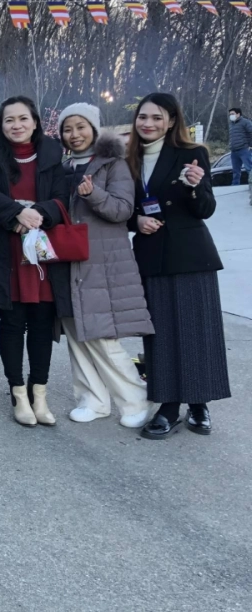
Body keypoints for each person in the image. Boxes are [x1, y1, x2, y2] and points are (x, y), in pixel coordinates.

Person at [126, 93, 230, 440]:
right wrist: (137, 220)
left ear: (172, 121)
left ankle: (199, 403)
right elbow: (124, 207)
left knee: (196, 331)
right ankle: (168, 406)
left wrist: (194, 186)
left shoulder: (192, 153)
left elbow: (205, 210)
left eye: (157, 117)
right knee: (159, 333)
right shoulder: (129, 158)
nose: (148, 123)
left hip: (189, 255)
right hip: (151, 254)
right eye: (143, 117)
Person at [0, 96, 72, 427]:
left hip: (41, 250)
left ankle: (39, 393)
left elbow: (61, 197)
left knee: (42, 324)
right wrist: (17, 213)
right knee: (12, 324)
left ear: (35, 122)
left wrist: (38, 214)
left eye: (23, 118)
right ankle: (18, 393)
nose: (17, 125)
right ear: (1, 125)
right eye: (9, 120)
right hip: (6, 249)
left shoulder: (52, 154)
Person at [57, 103, 153, 428]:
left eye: (80, 126)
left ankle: (135, 399)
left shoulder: (114, 164)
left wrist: (93, 193)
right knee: (75, 333)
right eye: (68, 128)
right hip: (66, 260)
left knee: (101, 336)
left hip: (100, 262)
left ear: (95, 129)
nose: (74, 134)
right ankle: (93, 400)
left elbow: (123, 210)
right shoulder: (63, 166)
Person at [228, 107, 252, 185]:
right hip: (234, 151)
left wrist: (250, 145)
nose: (231, 116)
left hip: (244, 149)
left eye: (232, 114)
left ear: (238, 114)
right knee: (235, 172)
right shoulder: (231, 124)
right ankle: (235, 187)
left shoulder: (246, 122)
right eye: (230, 114)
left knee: (249, 169)